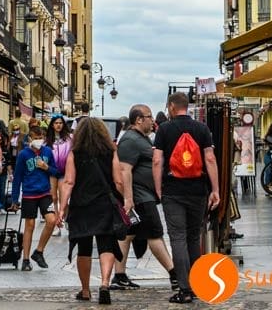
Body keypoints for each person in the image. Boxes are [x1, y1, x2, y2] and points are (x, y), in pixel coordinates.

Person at [152, 92, 220, 305]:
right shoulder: (202, 128)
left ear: (172, 106)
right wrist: (215, 189)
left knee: (178, 238)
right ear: (186, 106)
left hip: (173, 190)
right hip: (198, 190)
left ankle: (184, 289)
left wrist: (158, 188)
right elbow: (210, 158)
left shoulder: (164, 129)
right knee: (193, 237)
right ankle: (197, 285)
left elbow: (157, 161)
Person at [59, 117, 124, 305]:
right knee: (106, 245)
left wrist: (62, 208)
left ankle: (86, 290)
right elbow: (118, 181)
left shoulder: (75, 153)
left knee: (84, 248)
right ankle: (104, 284)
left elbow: (69, 182)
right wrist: (125, 200)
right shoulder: (110, 152)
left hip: (81, 205)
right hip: (105, 204)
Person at [112, 106, 177, 293]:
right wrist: (128, 199)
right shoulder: (130, 140)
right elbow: (124, 170)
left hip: (142, 195)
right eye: (149, 117)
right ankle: (175, 274)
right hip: (140, 197)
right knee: (155, 234)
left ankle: (119, 276)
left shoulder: (141, 138)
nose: (152, 120)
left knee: (127, 235)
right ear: (139, 119)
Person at [8, 123, 61, 272]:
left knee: (51, 220)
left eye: (41, 137)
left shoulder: (48, 152)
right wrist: (14, 199)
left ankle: (39, 251)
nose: (39, 140)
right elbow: (17, 177)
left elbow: (56, 172)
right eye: (36, 137)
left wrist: (46, 167)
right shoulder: (23, 155)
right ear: (30, 139)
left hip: (45, 193)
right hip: (29, 193)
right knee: (29, 225)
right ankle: (25, 259)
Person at [45, 114, 73, 232]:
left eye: (60, 123)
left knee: (63, 198)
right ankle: (57, 223)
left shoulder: (69, 139)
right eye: (56, 123)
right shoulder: (47, 140)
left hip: (64, 172)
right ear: (52, 125)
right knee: (53, 198)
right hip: (51, 172)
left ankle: (65, 219)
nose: (58, 125)